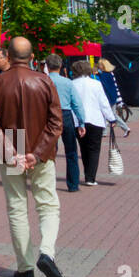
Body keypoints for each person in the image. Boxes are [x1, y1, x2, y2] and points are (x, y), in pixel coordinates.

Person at [0, 37, 65, 277]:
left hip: (11, 155)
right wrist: (37, 152)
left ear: (8, 56)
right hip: (42, 155)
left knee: (17, 207)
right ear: (32, 57)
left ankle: (25, 267)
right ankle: (47, 253)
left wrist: (13, 153)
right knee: (48, 204)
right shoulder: (45, 81)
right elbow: (56, 123)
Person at [70, 61, 117, 185]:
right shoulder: (96, 84)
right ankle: (90, 177)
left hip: (77, 120)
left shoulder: (72, 84)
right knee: (94, 149)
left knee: (83, 148)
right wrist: (111, 118)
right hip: (95, 119)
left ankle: (87, 173)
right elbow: (104, 103)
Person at [45, 53, 84, 192]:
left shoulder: (43, 81)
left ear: (47, 66)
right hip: (65, 114)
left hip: (48, 116)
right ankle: (73, 184)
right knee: (71, 151)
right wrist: (81, 122)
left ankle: (48, 183)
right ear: (60, 66)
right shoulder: (68, 82)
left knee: (49, 151)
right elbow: (77, 104)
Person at [96, 59, 130, 136]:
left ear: (103, 66)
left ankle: (125, 128)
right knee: (110, 114)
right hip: (113, 97)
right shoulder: (110, 74)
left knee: (110, 114)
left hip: (108, 97)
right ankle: (105, 131)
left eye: (99, 65)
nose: (98, 66)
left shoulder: (103, 75)